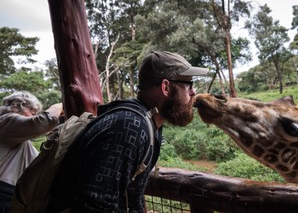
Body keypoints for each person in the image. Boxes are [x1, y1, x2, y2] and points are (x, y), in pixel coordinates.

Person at [46, 50, 209, 212]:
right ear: (166, 87)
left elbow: (130, 196)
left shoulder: (147, 122)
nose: (193, 92)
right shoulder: (130, 126)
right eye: (189, 85)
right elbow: (92, 205)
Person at [0, 91, 63, 213]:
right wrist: (59, 106)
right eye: (33, 113)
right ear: (15, 107)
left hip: (13, 197)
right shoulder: (6, 121)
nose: (34, 117)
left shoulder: (19, 142)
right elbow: (43, 122)